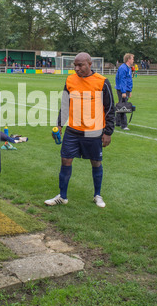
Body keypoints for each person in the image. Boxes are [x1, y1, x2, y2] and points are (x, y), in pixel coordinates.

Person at [44, 52, 115, 208]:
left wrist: (108, 132)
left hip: (94, 132)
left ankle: (97, 195)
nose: (77, 68)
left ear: (90, 64)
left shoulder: (102, 82)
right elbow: (64, 104)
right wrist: (60, 125)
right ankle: (62, 196)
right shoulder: (70, 80)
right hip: (73, 130)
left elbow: (110, 108)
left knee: (96, 162)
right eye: (75, 65)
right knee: (65, 160)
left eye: (80, 65)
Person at [115, 53, 134, 131]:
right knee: (123, 106)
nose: (133, 60)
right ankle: (124, 125)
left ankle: (117, 122)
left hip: (126, 90)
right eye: (132, 59)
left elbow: (128, 80)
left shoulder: (128, 68)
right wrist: (123, 92)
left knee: (121, 104)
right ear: (128, 59)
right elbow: (122, 80)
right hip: (122, 90)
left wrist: (129, 91)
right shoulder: (123, 68)